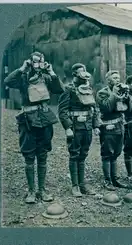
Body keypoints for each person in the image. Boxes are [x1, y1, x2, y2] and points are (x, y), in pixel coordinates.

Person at [4, 51, 64, 203]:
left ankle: (42, 190)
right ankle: (31, 191)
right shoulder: (23, 77)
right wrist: (22, 68)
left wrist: (52, 72)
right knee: (29, 155)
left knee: (42, 154)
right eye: (35, 62)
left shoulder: (47, 77)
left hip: (44, 119)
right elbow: (8, 81)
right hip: (28, 121)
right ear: (30, 62)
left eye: (41, 62)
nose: (38, 65)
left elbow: (60, 89)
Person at [58, 63, 99, 197]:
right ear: (75, 74)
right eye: (82, 71)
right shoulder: (68, 89)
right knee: (74, 155)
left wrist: (96, 125)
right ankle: (75, 186)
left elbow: (94, 108)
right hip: (75, 127)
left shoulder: (89, 88)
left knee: (83, 155)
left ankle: (82, 184)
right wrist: (67, 128)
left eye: (85, 71)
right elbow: (62, 111)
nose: (85, 74)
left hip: (87, 127)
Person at [96, 70, 129, 190]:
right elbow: (106, 108)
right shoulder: (102, 93)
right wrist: (114, 94)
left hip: (120, 127)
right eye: (115, 78)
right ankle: (107, 180)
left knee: (116, 154)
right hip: (108, 128)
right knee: (107, 154)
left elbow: (127, 108)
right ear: (108, 80)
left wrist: (126, 96)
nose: (118, 80)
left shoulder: (120, 91)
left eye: (118, 78)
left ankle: (115, 179)